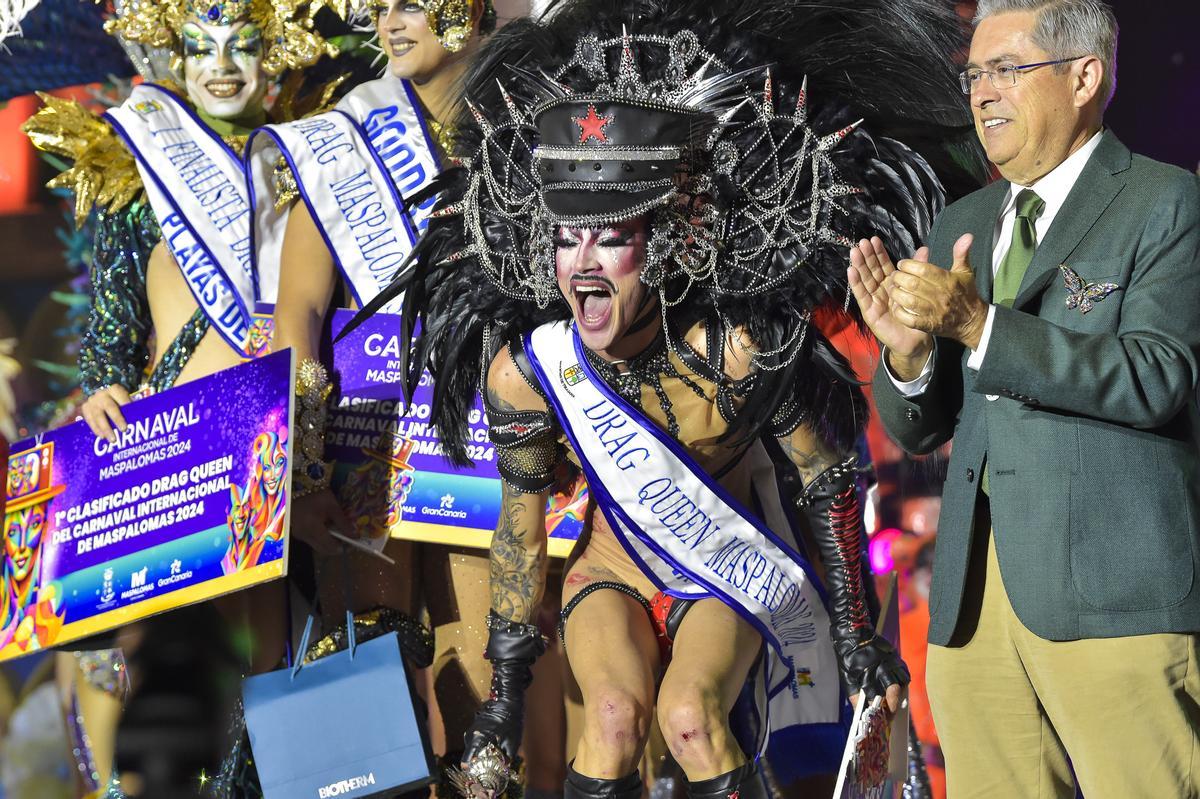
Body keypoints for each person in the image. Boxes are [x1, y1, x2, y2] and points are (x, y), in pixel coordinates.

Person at [347, 0, 979, 794]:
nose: (583, 262)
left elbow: (824, 479)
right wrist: (505, 700)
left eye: (611, 235)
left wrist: (856, 635)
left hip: (723, 575)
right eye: (568, 235)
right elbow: (520, 523)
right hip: (609, 568)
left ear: (672, 239)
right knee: (611, 719)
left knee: (690, 717)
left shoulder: (744, 352)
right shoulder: (533, 368)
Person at [848, 0, 1200, 795]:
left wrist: (977, 323)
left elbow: (1155, 375)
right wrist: (905, 359)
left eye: (1006, 69)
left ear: (1084, 77)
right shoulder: (963, 219)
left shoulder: (1165, 201)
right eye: (973, 74)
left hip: (1117, 598)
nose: (980, 93)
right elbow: (922, 426)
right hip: (972, 608)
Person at [21, 0, 348, 793]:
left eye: (244, 44)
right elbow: (111, 322)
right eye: (203, 48)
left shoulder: (310, 170)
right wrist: (101, 385)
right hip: (169, 445)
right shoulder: (137, 181)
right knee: (127, 639)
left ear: (276, 53)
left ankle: (256, 783)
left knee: (269, 646)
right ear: (175, 59)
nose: (225, 65)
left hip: (273, 432)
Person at [247, 0, 509, 779]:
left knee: (482, 673)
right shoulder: (340, 145)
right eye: (381, 7)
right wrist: (307, 468)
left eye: (413, 5)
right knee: (372, 668)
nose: (392, 23)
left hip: (478, 440)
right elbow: (296, 311)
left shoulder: (523, 133)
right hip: (365, 446)